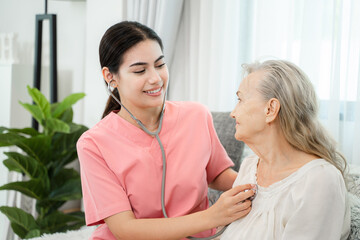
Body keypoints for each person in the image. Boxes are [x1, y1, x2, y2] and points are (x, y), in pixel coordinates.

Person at [76, 21, 256, 240]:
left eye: (160, 65)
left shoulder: (196, 115)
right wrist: (213, 216)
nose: (155, 78)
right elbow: (125, 229)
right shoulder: (93, 144)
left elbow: (216, 173)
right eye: (140, 70)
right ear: (110, 77)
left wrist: (259, 184)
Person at [220, 59, 351, 240]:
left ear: (271, 109)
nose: (233, 113)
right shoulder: (250, 167)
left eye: (240, 100)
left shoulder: (319, 180)